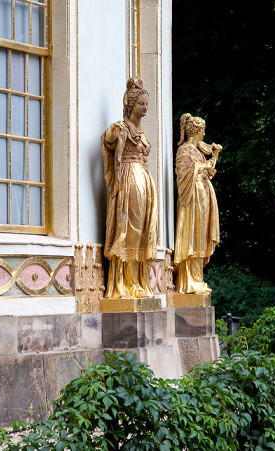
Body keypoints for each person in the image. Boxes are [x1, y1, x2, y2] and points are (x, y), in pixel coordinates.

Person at [101, 77, 158, 298]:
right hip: (129, 181)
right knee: (130, 229)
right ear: (130, 105)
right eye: (141, 104)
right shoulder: (121, 127)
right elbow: (108, 140)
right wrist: (114, 134)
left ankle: (139, 282)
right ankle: (124, 283)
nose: (144, 108)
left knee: (145, 230)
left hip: (144, 181)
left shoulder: (141, 133)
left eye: (146, 104)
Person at [174, 113, 220, 294]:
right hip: (191, 197)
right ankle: (189, 280)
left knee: (200, 236)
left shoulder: (198, 152)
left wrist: (214, 156)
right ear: (198, 131)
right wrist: (204, 167)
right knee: (192, 236)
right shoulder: (184, 150)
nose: (205, 135)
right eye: (203, 131)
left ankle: (197, 278)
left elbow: (208, 170)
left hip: (203, 197)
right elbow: (184, 173)